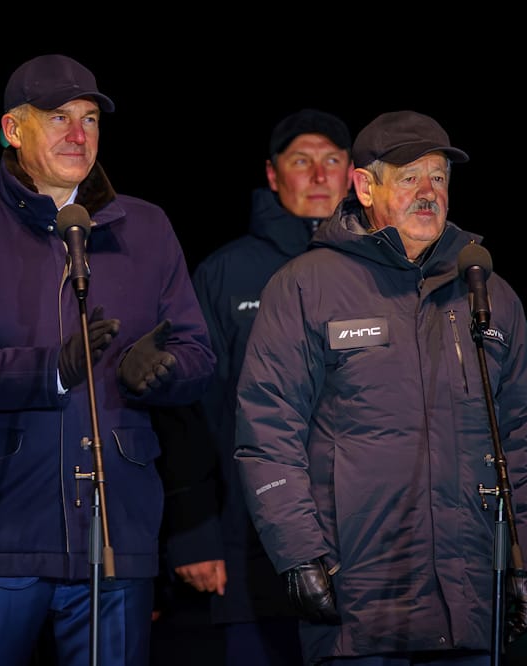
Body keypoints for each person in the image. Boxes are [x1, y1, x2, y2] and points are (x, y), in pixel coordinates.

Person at [0, 53, 216, 666]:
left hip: (113, 530)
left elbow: (198, 355)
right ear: (13, 130)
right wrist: (49, 370)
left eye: (90, 118)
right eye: (58, 117)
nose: (79, 134)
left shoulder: (146, 228)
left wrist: (160, 372)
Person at [234, 110, 527, 665]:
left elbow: (526, 441)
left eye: (438, 177)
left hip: (470, 600)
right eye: (410, 177)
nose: (428, 192)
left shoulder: (488, 293)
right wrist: (299, 555)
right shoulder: (305, 286)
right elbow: (267, 434)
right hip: (356, 599)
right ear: (365, 187)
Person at [153, 109, 354, 666]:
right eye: (302, 161)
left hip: (363, 549)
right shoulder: (225, 273)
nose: (319, 175)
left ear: (352, 173)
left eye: (331, 160)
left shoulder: (380, 271)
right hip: (250, 546)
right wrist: (195, 534)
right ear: (272, 174)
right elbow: (193, 412)